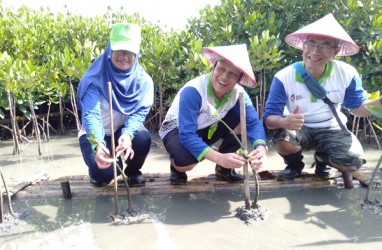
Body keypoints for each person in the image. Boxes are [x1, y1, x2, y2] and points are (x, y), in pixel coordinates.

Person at [263, 13, 382, 189]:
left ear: (336, 51)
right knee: (282, 137)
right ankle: (295, 165)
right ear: (303, 46)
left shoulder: (347, 73)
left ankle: (322, 159)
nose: (315, 51)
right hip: (299, 129)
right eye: (311, 43)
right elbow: (269, 118)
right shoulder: (284, 76)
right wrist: (284, 121)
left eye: (325, 45)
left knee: (352, 162)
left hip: (331, 128)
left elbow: (356, 109)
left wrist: (379, 103)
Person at [159, 44, 268, 185]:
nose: (224, 77)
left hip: (207, 126)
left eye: (232, 74)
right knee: (187, 161)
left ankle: (224, 169)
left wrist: (261, 147)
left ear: (238, 79)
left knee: (241, 118)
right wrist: (219, 157)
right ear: (214, 67)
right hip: (177, 129)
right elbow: (187, 135)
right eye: (221, 69)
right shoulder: (193, 90)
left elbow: (253, 123)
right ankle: (176, 168)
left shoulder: (240, 94)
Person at [77, 23, 154, 187]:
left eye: (129, 51)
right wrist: (99, 145)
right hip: (96, 133)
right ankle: (99, 172)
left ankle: (132, 171)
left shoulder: (144, 81)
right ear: (110, 49)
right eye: (119, 50)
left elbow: (139, 113)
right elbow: (91, 115)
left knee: (142, 138)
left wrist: (127, 135)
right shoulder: (93, 78)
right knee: (104, 174)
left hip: (121, 129)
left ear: (137, 52)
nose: (124, 56)